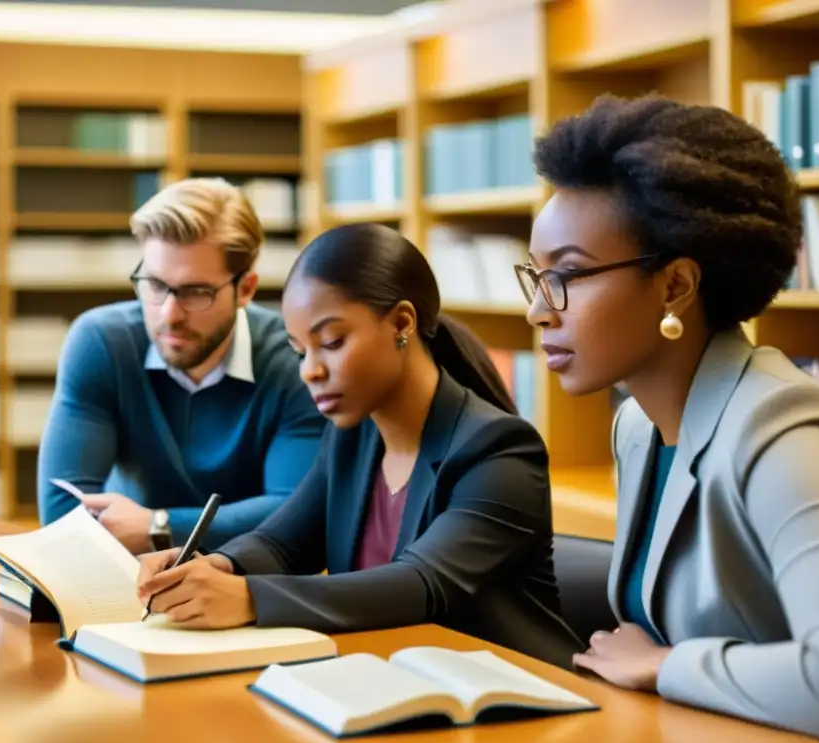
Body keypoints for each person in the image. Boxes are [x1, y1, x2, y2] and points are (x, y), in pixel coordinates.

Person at [517, 93, 819, 743]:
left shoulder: (783, 433)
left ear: (675, 287)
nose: (539, 312)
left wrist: (666, 665)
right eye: (537, 277)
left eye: (570, 277)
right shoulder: (637, 427)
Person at [136, 222, 584, 669]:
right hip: (397, 683)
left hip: (522, 695)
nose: (310, 370)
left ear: (401, 324)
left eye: (330, 342)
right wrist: (221, 566)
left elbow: (422, 584)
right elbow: (283, 544)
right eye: (300, 351)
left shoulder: (498, 449)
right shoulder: (353, 435)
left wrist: (248, 598)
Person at [37, 177, 325, 554]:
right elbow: (62, 515)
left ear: (246, 289)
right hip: (127, 580)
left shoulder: (294, 357)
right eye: (154, 285)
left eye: (196, 292)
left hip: (251, 587)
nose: (169, 314)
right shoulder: (102, 342)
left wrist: (159, 526)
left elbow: (297, 514)